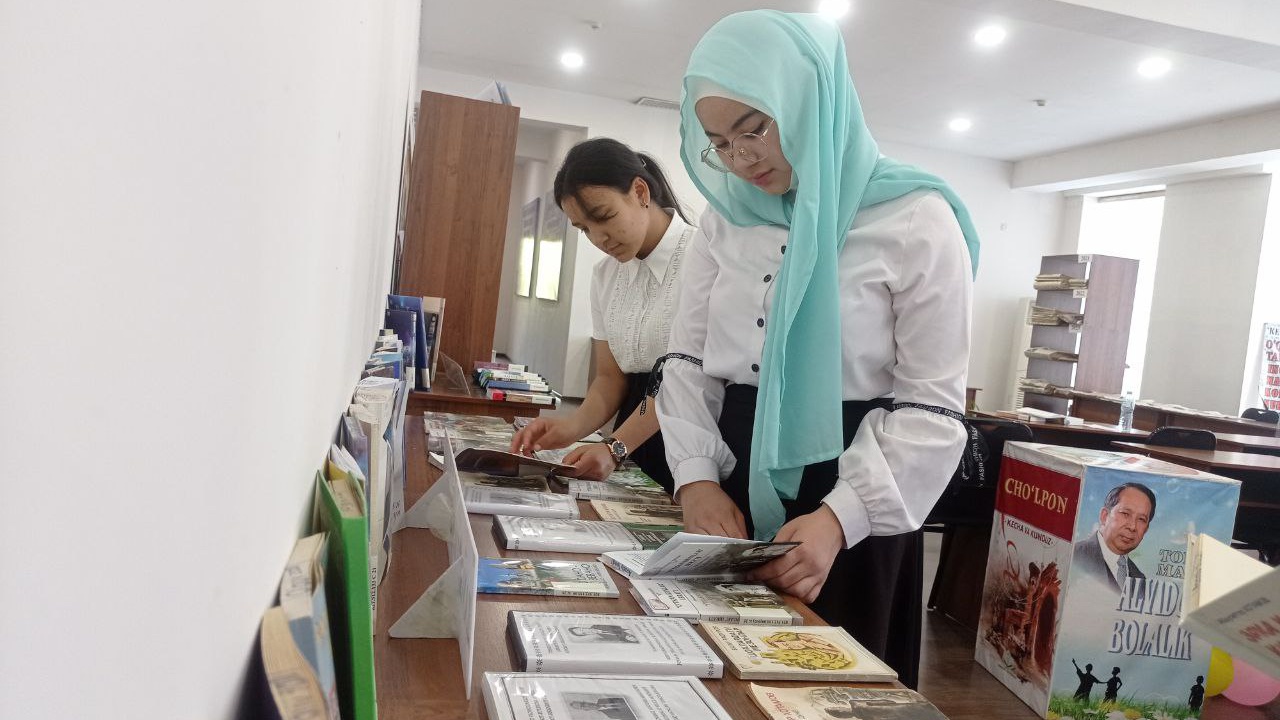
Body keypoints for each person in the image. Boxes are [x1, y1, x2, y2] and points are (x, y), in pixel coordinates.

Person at [655, 10, 978, 688]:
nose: (741, 159)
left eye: (755, 128)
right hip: (733, 471)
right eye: (719, 143)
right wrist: (696, 477)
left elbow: (933, 407)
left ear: (812, 98)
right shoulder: (727, 216)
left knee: (826, 682)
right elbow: (687, 360)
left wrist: (839, 518)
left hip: (857, 486)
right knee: (715, 673)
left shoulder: (915, 217)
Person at [511, 138, 694, 492]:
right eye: (584, 228)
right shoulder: (606, 275)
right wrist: (571, 427)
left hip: (691, 442)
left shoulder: (702, 257)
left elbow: (685, 380)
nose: (599, 238)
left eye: (604, 217)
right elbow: (611, 378)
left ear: (640, 192)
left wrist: (615, 447)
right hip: (631, 442)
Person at [1072, 483, 1155, 592]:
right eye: (1125, 514)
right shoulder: (1074, 555)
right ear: (1104, 516)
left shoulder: (1141, 580)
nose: (1132, 526)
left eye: (1141, 519)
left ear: (1146, 529)